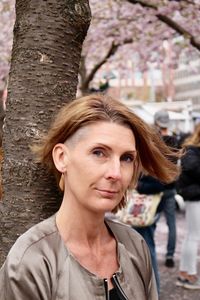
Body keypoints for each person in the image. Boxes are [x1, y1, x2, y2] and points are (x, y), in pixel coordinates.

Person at [0, 94, 180, 300]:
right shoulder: (32, 261)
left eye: (127, 158)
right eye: (99, 152)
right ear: (62, 158)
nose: (116, 172)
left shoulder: (135, 246)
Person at [176, 123, 200, 290]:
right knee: (193, 237)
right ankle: (189, 275)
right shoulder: (192, 151)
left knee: (191, 236)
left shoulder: (190, 150)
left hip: (194, 197)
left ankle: (184, 273)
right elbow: (193, 168)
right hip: (195, 198)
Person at [154, 109, 178, 268]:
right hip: (170, 187)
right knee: (172, 224)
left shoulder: (154, 141)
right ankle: (170, 255)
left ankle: (150, 252)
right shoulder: (175, 141)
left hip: (155, 188)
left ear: (156, 122)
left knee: (149, 223)